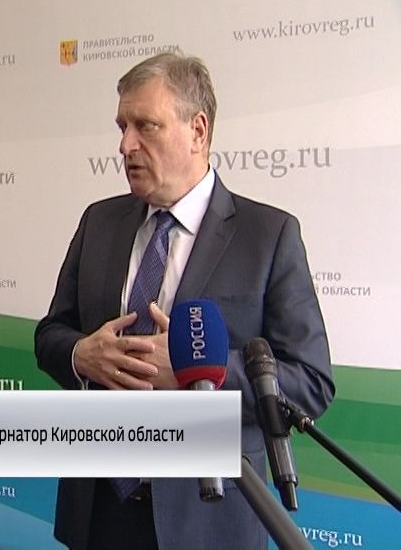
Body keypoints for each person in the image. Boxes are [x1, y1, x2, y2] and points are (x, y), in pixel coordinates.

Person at [35, 52, 335, 550]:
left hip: (207, 520)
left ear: (198, 130)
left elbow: (310, 382)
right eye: (122, 127)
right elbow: (50, 335)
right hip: (99, 512)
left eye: (145, 126)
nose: (125, 145)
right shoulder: (99, 222)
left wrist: (195, 374)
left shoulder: (268, 236)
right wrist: (80, 355)